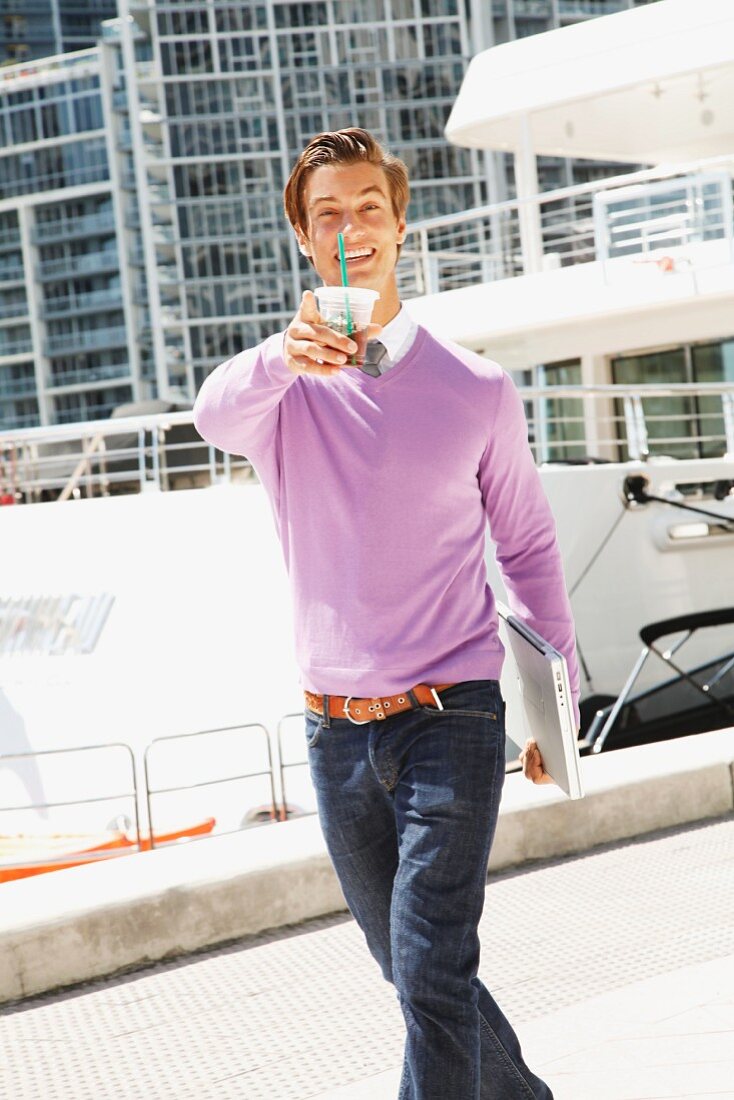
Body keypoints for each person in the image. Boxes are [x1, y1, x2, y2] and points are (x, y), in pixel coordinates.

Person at [193, 128, 580, 1100]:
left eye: (367, 206)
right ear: (301, 237)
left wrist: (553, 707)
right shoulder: (279, 392)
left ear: (397, 225)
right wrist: (284, 357)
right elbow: (210, 414)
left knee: (430, 965)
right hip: (332, 731)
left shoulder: (476, 388)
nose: (348, 227)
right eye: (325, 213)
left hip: (450, 715)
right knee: (413, 971)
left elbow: (526, 544)